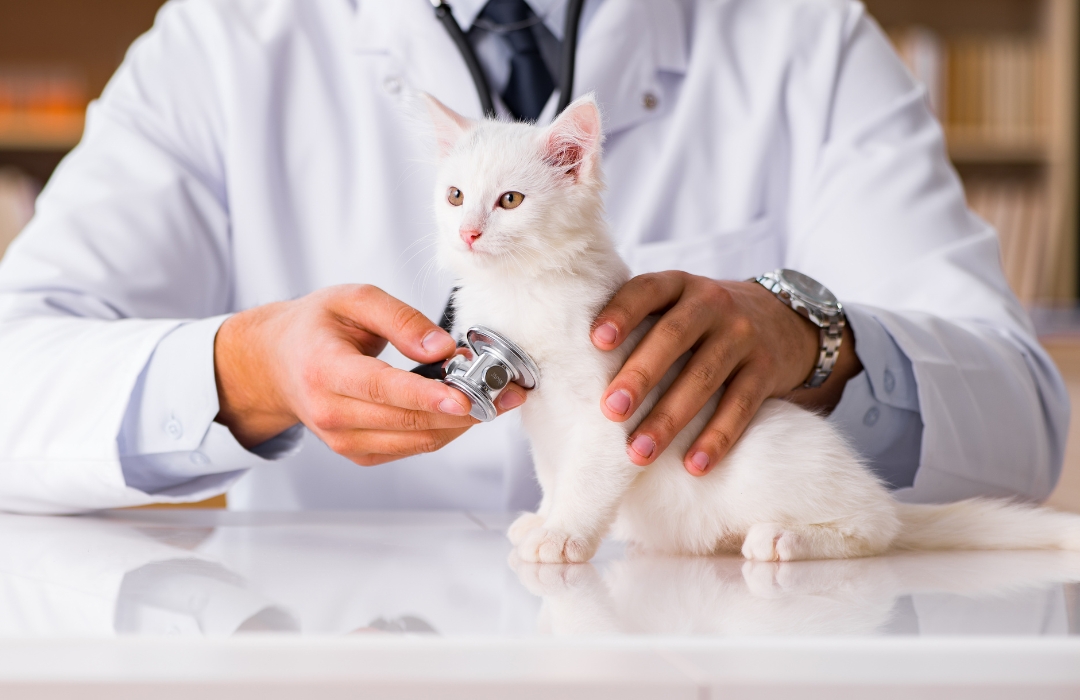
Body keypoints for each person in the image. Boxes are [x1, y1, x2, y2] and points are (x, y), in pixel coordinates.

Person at [0, 0, 1067, 514]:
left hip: (711, 655)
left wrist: (818, 338)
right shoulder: (224, 39)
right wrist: (247, 369)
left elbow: (1023, 418)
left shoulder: (799, 34)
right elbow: (14, 380)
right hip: (345, 647)